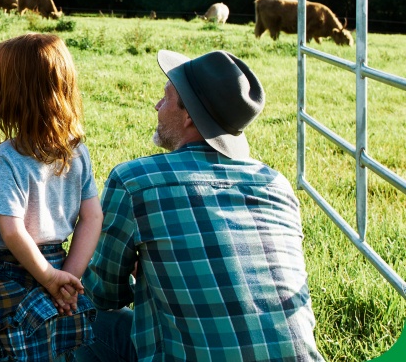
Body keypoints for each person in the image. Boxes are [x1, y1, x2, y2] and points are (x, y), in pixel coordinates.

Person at [77, 50, 324, 362]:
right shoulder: (276, 185)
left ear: (189, 115)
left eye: (165, 97)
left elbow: (101, 292)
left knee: (79, 318)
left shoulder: (136, 181)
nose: (157, 106)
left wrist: (147, 277)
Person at [0, 34, 103, 361]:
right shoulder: (78, 152)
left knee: (14, 350)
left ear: (10, 98)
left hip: (13, 273)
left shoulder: (7, 158)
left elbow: (11, 231)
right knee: (58, 350)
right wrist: (68, 278)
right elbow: (92, 217)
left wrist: (48, 277)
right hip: (60, 264)